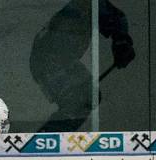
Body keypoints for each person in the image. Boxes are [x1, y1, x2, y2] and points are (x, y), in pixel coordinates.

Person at [30, 0, 135, 132]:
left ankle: (50, 136)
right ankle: (49, 137)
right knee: (84, 98)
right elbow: (114, 17)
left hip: (56, 59)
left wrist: (121, 42)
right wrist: (121, 41)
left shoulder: (88, 8)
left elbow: (115, 18)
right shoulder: (84, 7)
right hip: (50, 59)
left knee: (88, 97)